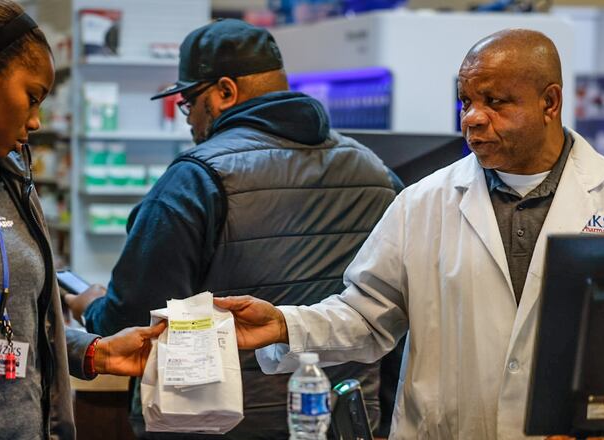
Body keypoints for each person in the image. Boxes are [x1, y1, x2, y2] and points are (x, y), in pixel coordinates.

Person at [212, 29, 604, 439]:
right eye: (465, 101)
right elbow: (368, 315)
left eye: (495, 102)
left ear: (550, 103)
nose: (472, 118)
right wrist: (285, 325)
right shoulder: (423, 202)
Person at [64, 18, 404, 439]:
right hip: (341, 420)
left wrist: (91, 305)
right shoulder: (378, 174)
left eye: (189, 103)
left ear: (225, 92)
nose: (188, 121)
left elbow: (133, 321)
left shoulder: (195, 178)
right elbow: (395, 320)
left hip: (217, 424)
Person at [0, 1, 166, 439]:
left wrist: (96, 353)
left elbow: (15, 325)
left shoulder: (10, 180)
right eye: (32, 97)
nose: (35, 120)